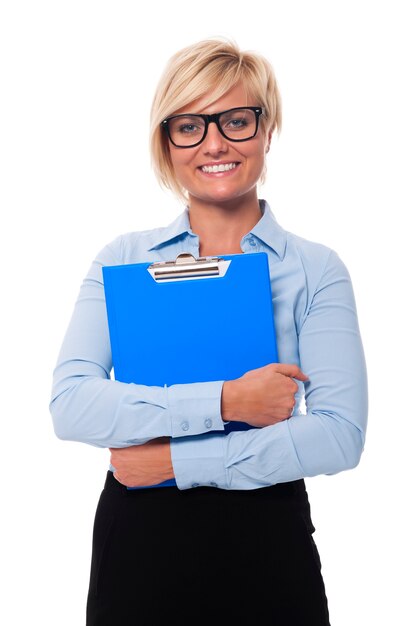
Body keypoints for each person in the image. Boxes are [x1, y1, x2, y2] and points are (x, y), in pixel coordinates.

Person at [50, 36, 368, 626]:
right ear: (167, 143)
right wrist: (229, 399)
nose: (214, 143)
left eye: (236, 120)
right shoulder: (122, 261)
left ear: (266, 130)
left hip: (267, 539)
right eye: (190, 126)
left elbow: (339, 436)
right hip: (140, 544)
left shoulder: (315, 269)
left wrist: (174, 463)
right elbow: (71, 406)